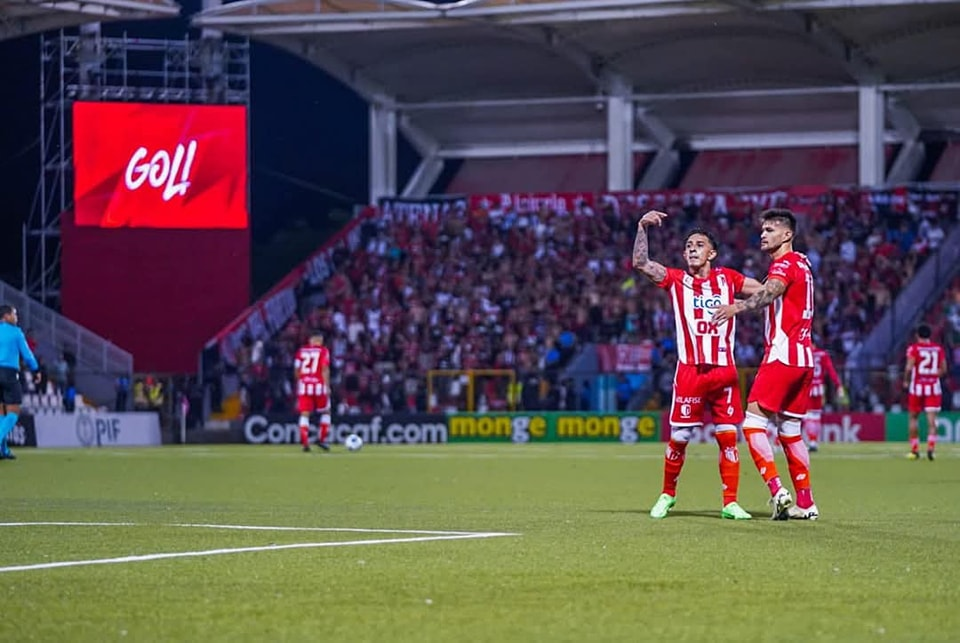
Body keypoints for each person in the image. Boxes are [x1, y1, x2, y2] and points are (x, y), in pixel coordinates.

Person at [633, 210, 763, 521]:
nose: (691, 248)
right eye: (688, 245)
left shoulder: (728, 278)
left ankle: (730, 502)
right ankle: (667, 495)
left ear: (712, 253)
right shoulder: (677, 280)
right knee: (680, 437)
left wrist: (738, 306)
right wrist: (641, 227)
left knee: (728, 436)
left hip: (723, 371)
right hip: (690, 371)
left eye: (699, 244)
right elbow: (641, 263)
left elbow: (764, 290)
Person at [714, 208, 819, 520]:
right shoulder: (803, 263)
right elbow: (772, 289)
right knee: (790, 430)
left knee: (752, 424)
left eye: (771, 230)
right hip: (804, 358)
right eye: (762, 230)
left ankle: (777, 491)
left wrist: (737, 306)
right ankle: (806, 502)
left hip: (782, 355)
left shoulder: (785, 264)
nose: (763, 234)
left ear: (787, 235)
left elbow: (770, 293)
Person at [0, 305, 39, 460]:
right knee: (13, 412)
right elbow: (27, 355)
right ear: (6, 316)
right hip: (9, 374)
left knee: (1, 413)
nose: (16, 317)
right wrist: (36, 370)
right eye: (14, 314)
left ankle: (3, 450)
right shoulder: (16, 333)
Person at [903, 323, 947, 460]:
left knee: (913, 418)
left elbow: (909, 368)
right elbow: (943, 369)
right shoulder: (938, 349)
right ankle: (931, 448)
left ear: (917, 335)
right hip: (933, 388)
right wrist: (932, 377)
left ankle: (915, 450)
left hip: (917, 388)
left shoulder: (914, 349)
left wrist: (906, 381)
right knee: (932, 420)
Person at [804, 344, 845, 452]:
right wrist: (838, 385)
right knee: (816, 416)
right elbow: (831, 370)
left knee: (808, 416)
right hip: (819, 389)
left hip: (807, 389)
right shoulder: (823, 354)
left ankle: (812, 441)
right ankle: (814, 441)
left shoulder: (804, 353)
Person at [294, 334, 331, 452]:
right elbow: (324, 368)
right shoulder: (323, 351)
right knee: (326, 411)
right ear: (317, 339)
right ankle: (321, 439)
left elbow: (296, 370)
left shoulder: (301, 351)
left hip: (304, 386)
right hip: (319, 386)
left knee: (304, 414)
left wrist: (302, 381)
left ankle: (305, 442)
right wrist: (327, 386)